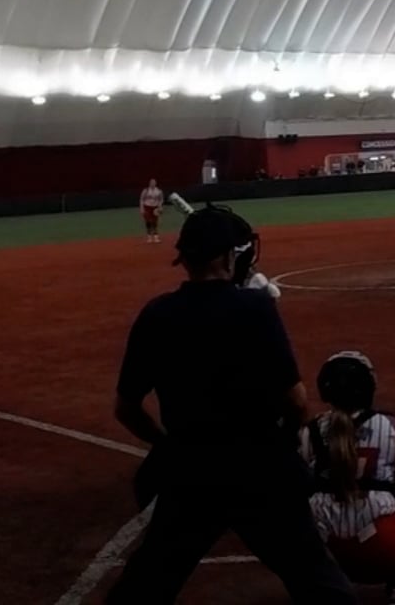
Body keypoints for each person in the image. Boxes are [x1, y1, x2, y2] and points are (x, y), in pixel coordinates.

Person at [107, 204, 356, 605]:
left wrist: (167, 444)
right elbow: (296, 401)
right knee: (318, 583)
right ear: (227, 258)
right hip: (259, 468)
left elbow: (126, 408)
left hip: (191, 470)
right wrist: (285, 439)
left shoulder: (157, 314)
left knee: (146, 585)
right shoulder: (255, 308)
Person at [300, 351, 395, 605]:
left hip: (327, 559)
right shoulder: (390, 426)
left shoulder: (308, 432)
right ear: (368, 388)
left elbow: (296, 493)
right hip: (383, 549)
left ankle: (321, 593)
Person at [140, 179, 166, 244]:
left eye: (154, 183)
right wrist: (142, 208)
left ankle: (156, 237)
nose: (152, 184)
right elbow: (142, 199)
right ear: (149, 183)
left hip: (155, 208)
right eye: (151, 183)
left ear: (155, 183)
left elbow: (161, 199)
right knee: (148, 222)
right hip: (147, 207)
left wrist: (160, 206)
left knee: (155, 222)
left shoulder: (159, 191)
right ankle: (149, 237)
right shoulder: (146, 190)